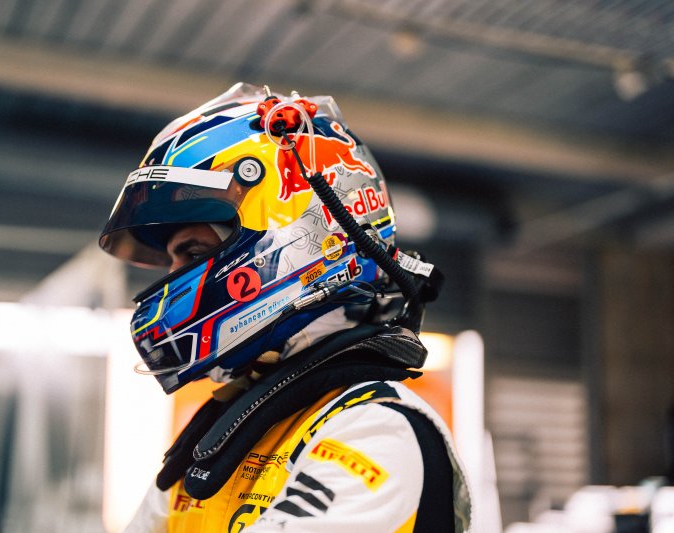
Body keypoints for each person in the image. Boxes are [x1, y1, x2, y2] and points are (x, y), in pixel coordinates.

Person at [99, 83, 474, 532]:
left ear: (295, 236)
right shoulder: (218, 433)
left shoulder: (373, 430)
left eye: (193, 253)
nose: (174, 278)